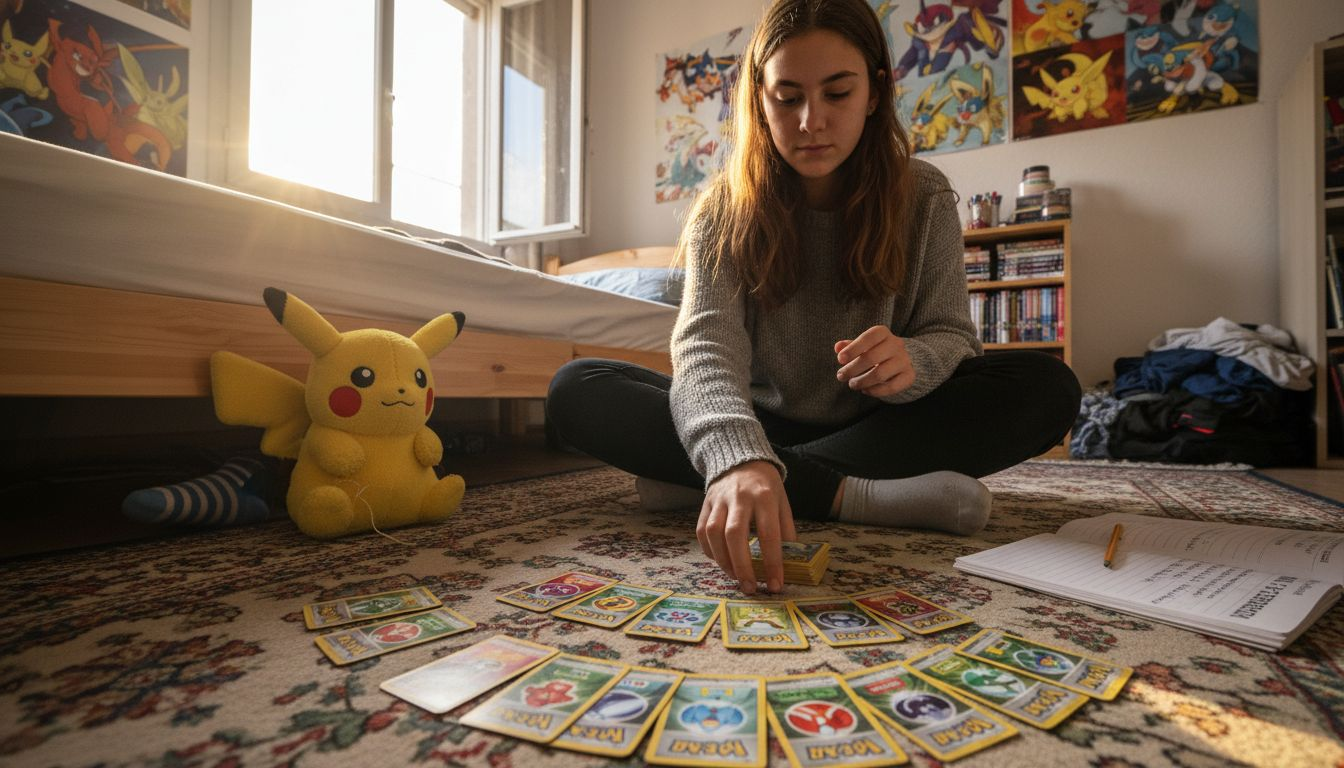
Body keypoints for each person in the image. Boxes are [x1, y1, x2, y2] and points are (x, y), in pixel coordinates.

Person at [546, 0, 1080, 595]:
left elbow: (953, 336)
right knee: (576, 390)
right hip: (761, 421)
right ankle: (855, 496)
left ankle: (712, 481)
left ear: (875, 93)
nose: (811, 121)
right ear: (759, 98)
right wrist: (737, 453)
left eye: (836, 93)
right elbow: (705, 352)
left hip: (883, 425)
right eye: (788, 96)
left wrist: (915, 359)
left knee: (1048, 387)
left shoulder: (924, 195)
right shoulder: (722, 210)